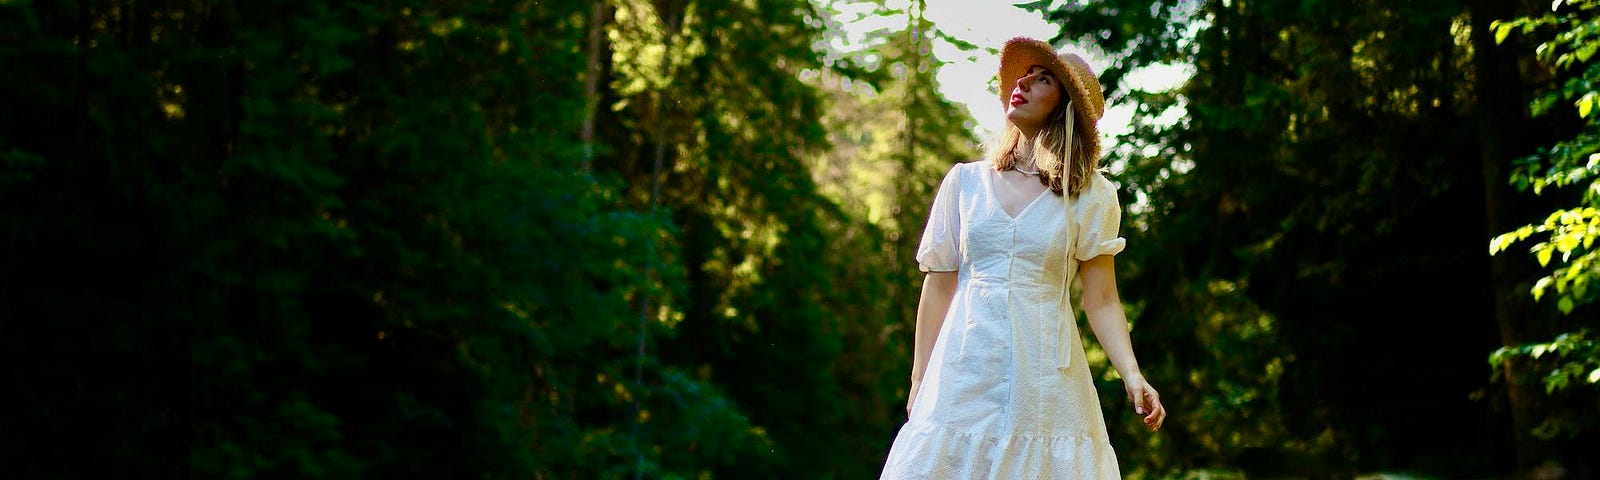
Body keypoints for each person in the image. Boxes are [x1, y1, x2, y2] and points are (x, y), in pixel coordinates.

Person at [879, 37, 1166, 479]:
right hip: (962, 373)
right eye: (1024, 74)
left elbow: (1102, 299)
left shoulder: (1092, 197)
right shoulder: (965, 183)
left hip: (1046, 383)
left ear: (1065, 106)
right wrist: (919, 381)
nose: (1024, 82)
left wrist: (1132, 374)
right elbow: (938, 285)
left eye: (1043, 78)